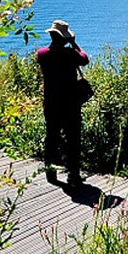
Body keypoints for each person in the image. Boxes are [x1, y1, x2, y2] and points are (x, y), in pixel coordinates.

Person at [36, 19, 89, 188]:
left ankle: (50, 173)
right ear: (65, 38)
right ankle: (73, 175)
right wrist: (74, 43)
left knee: (52, 137)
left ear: (51, 35)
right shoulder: (71, 54)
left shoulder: (42, 54)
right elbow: (85, 59)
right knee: (73, 140)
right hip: (70, 104)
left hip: (51, 103)